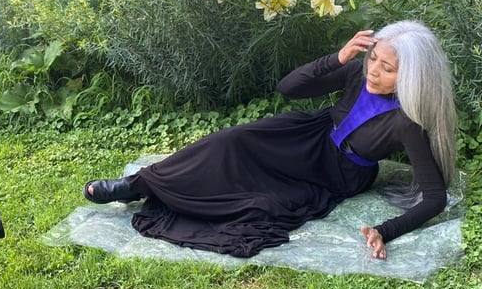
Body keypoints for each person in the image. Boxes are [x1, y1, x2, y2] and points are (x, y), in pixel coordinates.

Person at [84, 20, 458, 260]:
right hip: (308, 135)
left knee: (261, 202)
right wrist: (338, 58)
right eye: (373, 59)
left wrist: (385, 231)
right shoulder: (358, 74)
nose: (373, 71)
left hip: (335, 173)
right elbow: (289, 88)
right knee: (232, 140)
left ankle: (159, 191)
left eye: (387, 68)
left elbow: (435, 198)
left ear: (412, 76)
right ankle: (137, 184)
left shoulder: (407, 123)